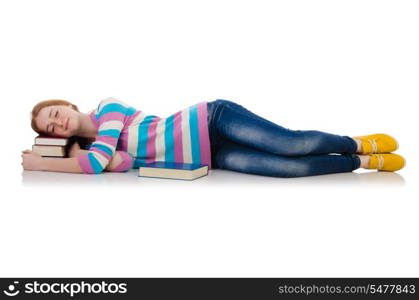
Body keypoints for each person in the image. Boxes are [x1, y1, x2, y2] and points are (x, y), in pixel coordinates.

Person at [22, 97, 405, 177]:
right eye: (50, 129)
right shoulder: (98, 152)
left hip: (211, 121)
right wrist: (64, 154)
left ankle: (357, 143)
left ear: (69, 105)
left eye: (56, 114)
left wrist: (42, 163)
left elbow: (95, 163)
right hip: (209, 158)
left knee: (290, 144)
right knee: (287, 170)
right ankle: (360, 163)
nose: (58, 124)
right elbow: (110, 163)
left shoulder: (108, 110)